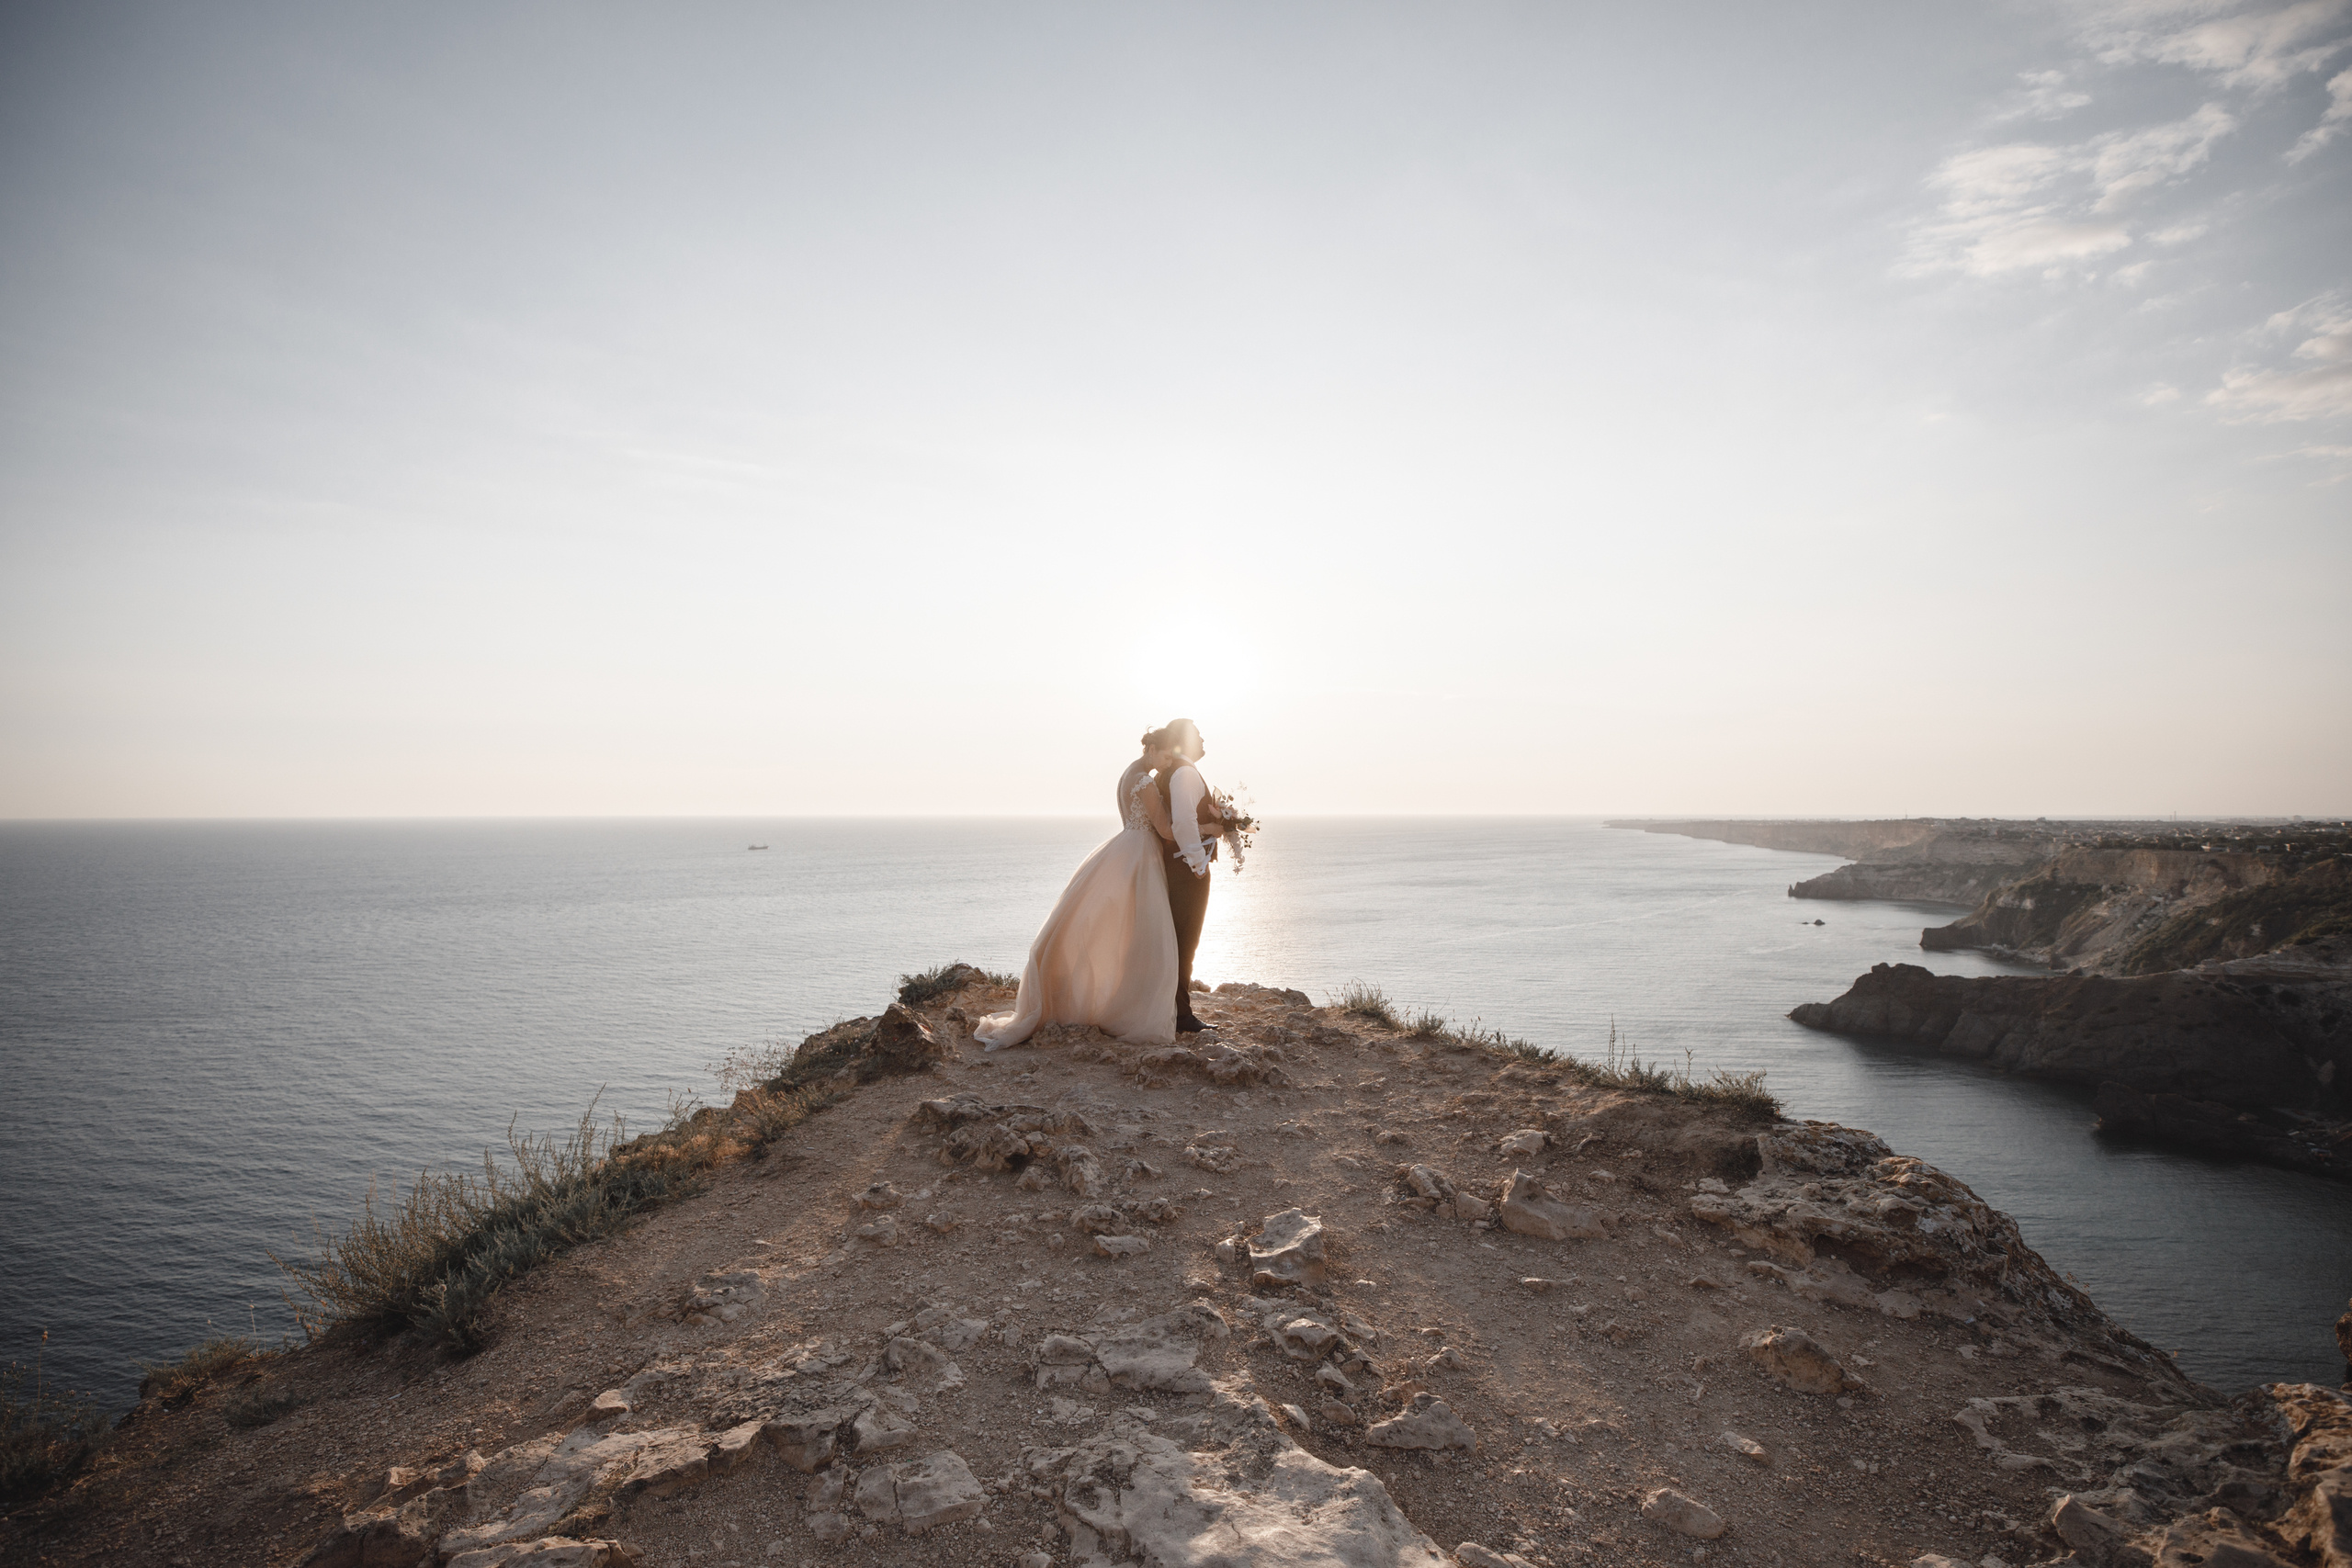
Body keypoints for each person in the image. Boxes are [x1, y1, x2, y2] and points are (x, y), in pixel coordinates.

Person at [972, 728, 1190, 1049]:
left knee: (1112, 927)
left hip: (1126, 847)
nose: (1168, 763)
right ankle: (1129, 1009)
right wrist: (1208, 826)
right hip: (1140, 854)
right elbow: (1165, 829)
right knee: (1143, 934)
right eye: (1166, 755)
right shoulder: (1143, 779)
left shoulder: (1128, 774)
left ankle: (1102, 998)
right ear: (1152, 749)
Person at [1148, 718, 1216, 1033]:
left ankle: (1174, 1010)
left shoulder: (1169, 773)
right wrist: (1198, 864)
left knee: (1175, 939)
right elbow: (1185, 823)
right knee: (1185, 941)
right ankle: (1181, 1017)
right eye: (1199, 736)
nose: (1204, 740)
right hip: (1185, 869)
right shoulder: (1185, 773)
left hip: (1175, 866)